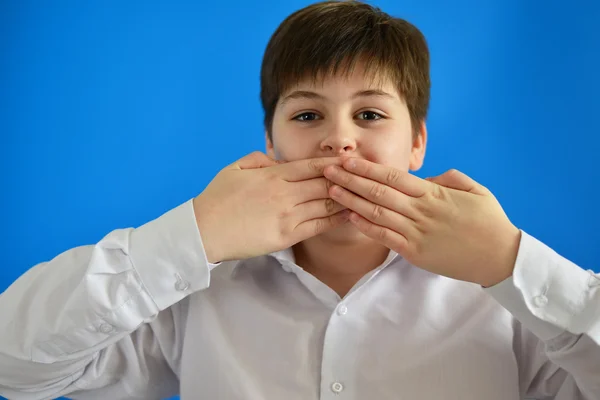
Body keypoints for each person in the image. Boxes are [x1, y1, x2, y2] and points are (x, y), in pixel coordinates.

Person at [1, 1, 598, 399]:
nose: (339, 138)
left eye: (369, 114)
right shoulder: (197, 288)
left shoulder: (503, 295)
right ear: (271, 141)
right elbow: (15, 365)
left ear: (417, 142)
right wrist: (193, 236)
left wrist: (511, 262)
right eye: (308, 114)